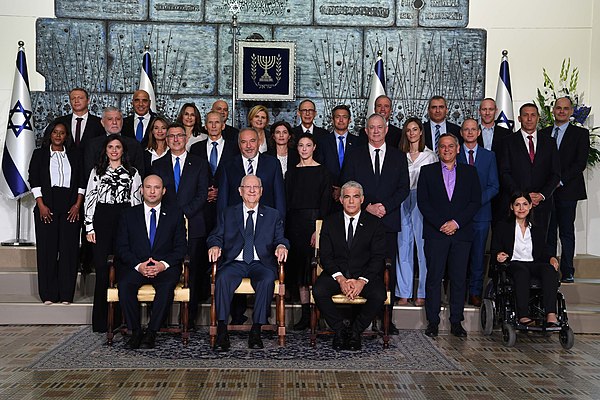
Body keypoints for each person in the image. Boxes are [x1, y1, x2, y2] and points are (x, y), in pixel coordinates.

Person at [341, 113, 409, 334]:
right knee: (360, 267)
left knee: (385, 270)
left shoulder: (399, 157)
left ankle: (386, 318)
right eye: (372, 128)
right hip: (361, 220)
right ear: (366, 131)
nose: (376, 131)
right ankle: (357, 318)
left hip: (388, 221)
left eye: (380, 127)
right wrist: (367, 205)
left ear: (387, 130)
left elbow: (404, 188)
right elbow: (346, 184)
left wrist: (385, 207)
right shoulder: (355, 154)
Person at [208, 174, 289, 351]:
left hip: (261, 263)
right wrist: (214, 246)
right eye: (247, 187)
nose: (252, 191)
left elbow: (280, 238)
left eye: (256, 188)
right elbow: (215, 236)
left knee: (267, 280)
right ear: (240, 191)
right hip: (235, 262)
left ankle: (256, 330)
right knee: (221, 279)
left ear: (261, 191)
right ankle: (222, 330)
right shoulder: (228, 213)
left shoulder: (272, 215)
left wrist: (282, 245)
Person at [216, 127, 286, 324]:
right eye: (244, 142)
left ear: (259, 142)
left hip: (266, 228)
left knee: (263, 272)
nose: (248, 146)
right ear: (239, 144)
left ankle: (260, 322)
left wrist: (279, 237)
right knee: (232, 268)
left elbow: (279, 197)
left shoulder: (271, 163)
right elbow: (222, 199)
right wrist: (219, 236)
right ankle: (235, 317)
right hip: (235, 227)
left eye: (252, 141)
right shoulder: (229, 164)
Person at [417, 134, 481, 338]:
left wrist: (456, 223)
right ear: (438, 149)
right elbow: (423, 202)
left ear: (458, 149)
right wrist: (441, 224)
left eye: (450, 146)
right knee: (434, 278)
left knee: (459, 279)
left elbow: (474, 202)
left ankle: (456, 322)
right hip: (436, 234)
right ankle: (432, 322)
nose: (446, 150)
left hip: (461, 234)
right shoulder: (427, 172)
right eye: (443, 146)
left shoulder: (470, 172)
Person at [313, 181, 386, 351]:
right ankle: (340, 330)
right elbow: (326, 256)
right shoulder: (330, 222)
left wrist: (361, 281)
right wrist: (341, 279)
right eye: (347, 197)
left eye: (355, 197)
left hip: (364, 274)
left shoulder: (374, 223)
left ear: (362, 199)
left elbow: (378, 257)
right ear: (340, 200)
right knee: (319, 290)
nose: (351, 201)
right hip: (337, 273)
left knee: (379, 294)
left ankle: (355, 331)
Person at [115, 174, 187, 349]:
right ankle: (135, 331)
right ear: (141, 190)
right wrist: (140, 266)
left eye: (156, 188)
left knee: (167, 287)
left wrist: (162, 265)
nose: (152, 191)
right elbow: (121, 247)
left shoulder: (175, 214)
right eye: (148, 187)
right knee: (124, 286)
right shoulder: (128, 215)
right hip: (137, 266)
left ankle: (152, 333)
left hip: (164, 267)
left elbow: (181, 248)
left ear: (163, 191)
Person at [151, 123, 208, 328]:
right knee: (164, 270)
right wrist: (172, 217)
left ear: (186, 138)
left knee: (192, 272)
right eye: (171, 136)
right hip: (164, 227)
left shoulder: (200, 163)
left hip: (194, 225)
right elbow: (155, 194)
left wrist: (184, 213)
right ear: (166, 140)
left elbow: (203, 194)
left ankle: (189, 319)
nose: (175, 139)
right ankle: (160, 318)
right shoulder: (157, 165)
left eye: (179, 136)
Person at [84, 134, 142, 332]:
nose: (114, 150)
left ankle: (121, 319)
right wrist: (89, 227)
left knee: (123, 268)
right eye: (111, 147)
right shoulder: (97, 172)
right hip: (102, 220)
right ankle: (101, 322)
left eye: (118, 147)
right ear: (106, 150)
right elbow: (90, 199)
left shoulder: (133, 173)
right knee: (102, 270)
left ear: (123, 150)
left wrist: (136, 230)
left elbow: (137, 203)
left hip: (125, 220)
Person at [29, 121, 85, 305]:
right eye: (55, 132)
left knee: (69, 251)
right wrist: (41, 205)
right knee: (48, 250)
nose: (58, 136)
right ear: (50, 135)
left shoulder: (75, 155)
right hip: (47, 204)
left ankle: (66, 295)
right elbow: (34, 180)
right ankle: (48, 294)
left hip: (70, 206)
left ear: (66, 136)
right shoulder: (39, 154)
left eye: (62, 133)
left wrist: (77, 205)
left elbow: (81, 182)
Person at [189, 111, 240, 299]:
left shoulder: (234, 148)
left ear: (223, 125)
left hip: (227, 206)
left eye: (217, 122)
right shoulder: (196, 148)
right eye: (210, 122)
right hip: (201, 209)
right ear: (205, 125)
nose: (213, 126)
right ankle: (202, 294)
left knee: (227, 249)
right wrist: (204, 194)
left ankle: (225, 294)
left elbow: (238, 177)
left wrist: (221, 192)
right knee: (201, 251)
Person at [541, 97, 590, 283]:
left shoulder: (580, 134)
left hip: (568, 190)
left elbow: (579, 164)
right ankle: (549, 268)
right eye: (558, 108)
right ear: (553, 110)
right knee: (548, 231)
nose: (561, 111)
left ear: (571, 112)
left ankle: (567, 270)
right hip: (546, 192)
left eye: (565, 109)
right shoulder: (543, 133)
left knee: (566, 231)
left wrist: (559, 181)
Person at [491, 192, 560, 326]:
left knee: (549, 270)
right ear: (512, 207)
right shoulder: (503, 226)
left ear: (530, 207)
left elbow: (543, 251)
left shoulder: (537, 228)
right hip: (513, 263)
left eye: (525, 204)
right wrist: (498, 255)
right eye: (517, 205)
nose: (521, 208)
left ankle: (551, 313)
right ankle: (523, 315)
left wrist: (552, 258)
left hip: (533, 263)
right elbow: (495, 249)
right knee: (522, 272)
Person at [285, 134, 332, 329]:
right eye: (301, 145)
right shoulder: (291, 173)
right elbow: (287, 202)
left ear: (314, 148)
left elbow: (325, 203)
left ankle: (319, 312)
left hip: (315, 224)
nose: (304, 149)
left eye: (308, 145)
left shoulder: (323, 172)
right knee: (300, 272)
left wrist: (318, 229)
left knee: (314, 269)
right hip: (294, 225)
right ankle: (305, 314)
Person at [498, 103, 560, 233]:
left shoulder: (550, 142)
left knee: (540, 246)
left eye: (533, 115)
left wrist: (542, 195)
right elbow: (504, 172)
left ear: (538, 118)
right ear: (519, 118)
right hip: (516, 202)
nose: (529, 119)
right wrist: (521, 197)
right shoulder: (507, 142)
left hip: (541, 203)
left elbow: (555, 174)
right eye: (525, 115)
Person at [457, 119, 499, 306]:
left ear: (479, 132)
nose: (470, 132)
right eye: (466, 129)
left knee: (478, 256)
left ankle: (475, 292)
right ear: (461, 132)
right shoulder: (453, 154)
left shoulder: (489, 156)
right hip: (457, 215)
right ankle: (458, 292)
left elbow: (494, 186)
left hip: (481, 215)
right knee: (458, 256)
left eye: (473, 129)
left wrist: (475, 203)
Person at [395, 117, 437, 307]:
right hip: (402, 200)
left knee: (422, 248)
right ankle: (403, 293)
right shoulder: (398, 156)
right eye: (408, 130)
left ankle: (422, 293)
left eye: (415, 129)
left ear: (421, 132)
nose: (412, 133)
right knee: (403, 247)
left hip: (423, 201)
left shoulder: (430, 156)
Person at [316, 105, 361, 205]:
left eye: (344, 117)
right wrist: (332, 189)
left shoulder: (359, 143)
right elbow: (320, 168)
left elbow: (360, 170)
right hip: (328, 194)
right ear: (332, 119)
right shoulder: (323, 142)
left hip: (352, 195)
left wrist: (343, 188)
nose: (341, 120)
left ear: (349, 120)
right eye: (337, 117)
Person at [84, 107, 145, 178]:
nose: (114, 122)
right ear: (102, 122)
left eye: (118, 119)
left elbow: (140, 172)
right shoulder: (92, 145)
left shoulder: (134, 144)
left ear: (122, 122)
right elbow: (88, 172)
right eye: (110, 119)